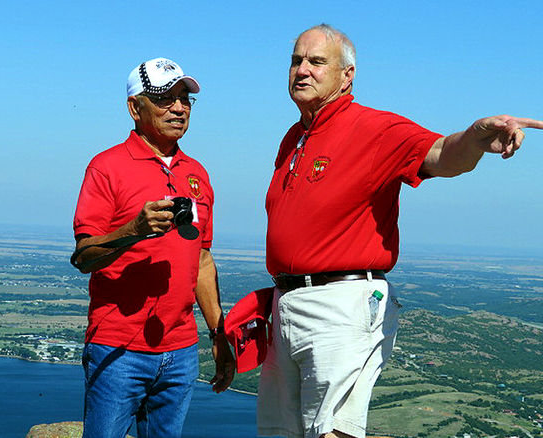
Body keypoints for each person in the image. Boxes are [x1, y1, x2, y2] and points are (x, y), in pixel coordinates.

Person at [257, 24, 543, 438]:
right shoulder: (293, 138)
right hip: (287, 304)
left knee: (333, 432)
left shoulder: (375, 128)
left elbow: (443, 155)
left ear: (346, 75)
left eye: (317, 62)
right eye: (296, 60)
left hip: (341, 304)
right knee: (280, 433)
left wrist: (477, 138)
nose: (303, 70)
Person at [71, 57, 235, 438]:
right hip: (118, 349)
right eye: (164, 98)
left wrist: (218, 334)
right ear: (134, 107)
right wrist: (134, 229)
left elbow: (203, 261)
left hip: (180, 351)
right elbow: (83, 256)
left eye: (185, 99)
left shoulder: (198, 174)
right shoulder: (106, 167)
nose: (178, 108)